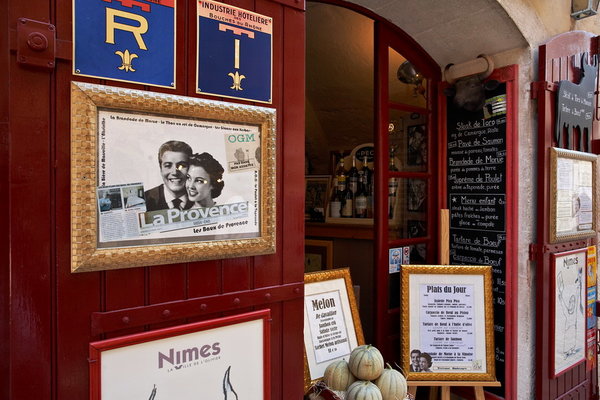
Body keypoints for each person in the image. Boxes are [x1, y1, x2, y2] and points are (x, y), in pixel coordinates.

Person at [144, 140, 193, 211]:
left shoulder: (203, 198)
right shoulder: (145, 201)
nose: (175, 172)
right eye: (168, 165)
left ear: (191, 168)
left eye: (182, 166)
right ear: (161, 169)